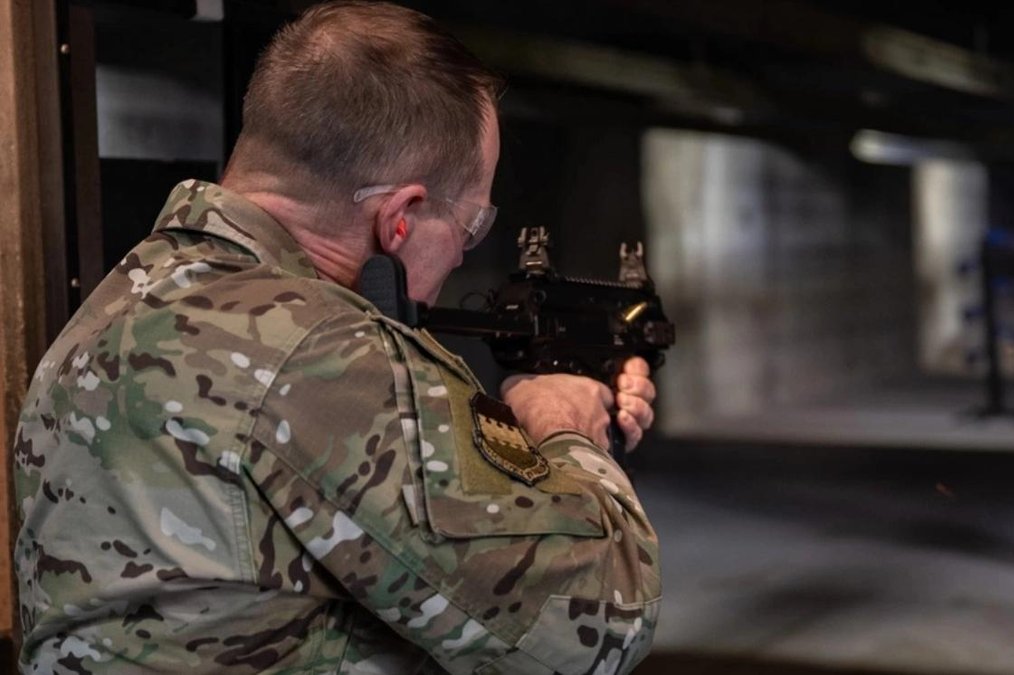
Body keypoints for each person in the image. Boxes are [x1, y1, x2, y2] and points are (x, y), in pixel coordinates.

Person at [12, 2, 661, 673]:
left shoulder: (112, 308)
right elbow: (603, 622)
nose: (466, 255)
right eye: (470, 225)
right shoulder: (327, 356)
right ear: (401, 218)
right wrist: (566, 428)